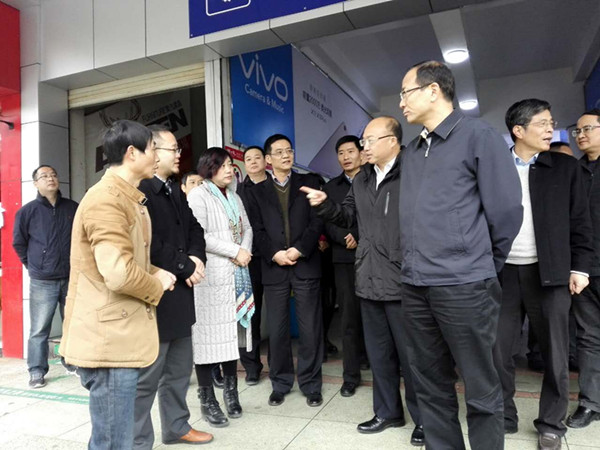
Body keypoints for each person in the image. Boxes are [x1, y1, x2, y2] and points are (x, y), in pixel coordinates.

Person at [398, 60, 523, 450]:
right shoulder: (413, 150)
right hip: (415, 284)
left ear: (433, 90)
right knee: (429, 383)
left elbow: (506, 212)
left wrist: (480, 263)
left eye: (406, 92)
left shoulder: (478, 136)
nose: (401, 102)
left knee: (481, 386)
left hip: (464, 284)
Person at [301, 118, 424, 446]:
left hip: (405, 280)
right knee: (380, 354)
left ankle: (425, 419)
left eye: (369, 140)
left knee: (412, 357)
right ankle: (387, 412)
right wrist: (325, 205)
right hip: (368, 277)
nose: (363, 147)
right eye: (363, 141)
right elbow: (347, 216)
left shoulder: (415, 171)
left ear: (393, 141)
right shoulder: (363, 178)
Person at [59, 119, 177, 450]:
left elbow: (128, 260)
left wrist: (157, 271)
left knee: (116, 437)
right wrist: (156, 284)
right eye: (153, 149)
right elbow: (118, 273)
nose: (157, 157)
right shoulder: (105, 200)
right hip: (108, 340)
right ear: (131, 153)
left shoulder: (128, 198)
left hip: (118, 336)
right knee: (113, 442)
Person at [494, 99, 592, 450]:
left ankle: (551, 423)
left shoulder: (565, 168)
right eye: (543, 123)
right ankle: (503, 415)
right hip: (502, 274)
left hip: (550, 273)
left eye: (552, 122)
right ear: (518, 130)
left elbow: (581, 221)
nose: (551, 129)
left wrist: (580, 267)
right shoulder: (494, 167)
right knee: (498, 349)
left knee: (555, 352)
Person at [133, 125, 213, 447]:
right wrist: (185, 266)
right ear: (153, 151)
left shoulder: (173, 189)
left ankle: (177, 426)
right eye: (173, 149)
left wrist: (196, 258)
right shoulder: (141, 190)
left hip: (181, 294)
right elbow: (149, 244)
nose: (179, 154)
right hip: (156, 297)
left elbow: (195, 229)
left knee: (179, 370)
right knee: (147, 378)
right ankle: (138, 441)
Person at [246, 134, 324, 408]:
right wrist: (274, 253)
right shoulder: (256, 192)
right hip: (274, 267)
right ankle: (280, 383)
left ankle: (311, 384)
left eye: (288, 150)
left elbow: (317, 222)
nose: (285, 155)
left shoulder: (309, 183)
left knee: (310, 329)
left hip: (305, 263)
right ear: (268, 159)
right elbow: (256, 229)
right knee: (278, 332)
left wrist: (299, 249)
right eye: (279, 152)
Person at [188, 147, 254, 428]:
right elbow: (198, 236)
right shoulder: (198, 195)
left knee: (230, 336)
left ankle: (231, 392)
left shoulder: (234, 196)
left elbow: (247, 228)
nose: (229, 170)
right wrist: (235, 251)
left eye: (230, 165)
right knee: (207, 339)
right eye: (223, 165)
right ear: (209, 167)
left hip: (236, 273)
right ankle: (207, 399)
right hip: (211, 277)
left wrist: (244, 251)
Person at [13, 165, 79, 388]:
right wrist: (34, 266)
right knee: (40, 328)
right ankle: (37, 370)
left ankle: (72, 361)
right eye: (44, 176)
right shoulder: (27, 212)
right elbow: (19, 243)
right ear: (35, 183)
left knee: (73, 322)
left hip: (71, 276)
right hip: (43, 280)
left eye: (53, 175)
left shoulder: (72, 208)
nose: (50, 178)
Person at [321, 135, 367, 395]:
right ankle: (351, 375)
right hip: (343, 258)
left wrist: (358, 235)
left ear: (361, 153)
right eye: (341, 152)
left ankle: (378, 361)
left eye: (350, 151)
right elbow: (326, 220)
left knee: (375, 315)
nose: (346, 157)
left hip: (373, 257)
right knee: (349, 317)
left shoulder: (373, 179)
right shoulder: (331, 187)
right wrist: (343, 237)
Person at [568, 108, 600, 429]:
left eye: (588, 128)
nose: (581, 135)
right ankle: (590, 402)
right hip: (585, 268)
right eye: (577, 130)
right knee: (589, 336)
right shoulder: (574, 171)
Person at [237, 145, 271, 384]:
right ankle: (251, 365)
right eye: (248, 159)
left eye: (257, 157)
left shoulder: (276, 186)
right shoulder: (237, 192)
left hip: (276, 258)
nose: (252, 162)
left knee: (277, 314)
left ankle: (278, 364)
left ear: (265, 161)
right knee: (249, 314)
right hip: (249, 260)